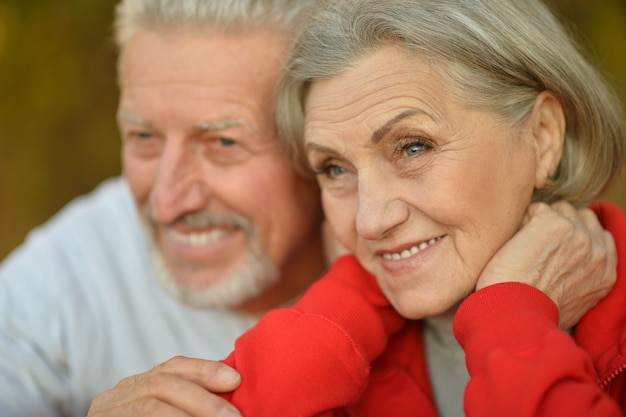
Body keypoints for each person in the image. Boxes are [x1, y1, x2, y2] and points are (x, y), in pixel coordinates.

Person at [87, 0, 625, 416]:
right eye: (335, 169)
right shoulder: (332, 337)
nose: (369, 221)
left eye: (412, 147)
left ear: (543, 136)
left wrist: (512, 322)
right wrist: (341, 318)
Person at [0, 1, 326, 416]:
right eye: (143, 137)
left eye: (223, 143)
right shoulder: (62, 282)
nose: (166, 201)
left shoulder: (406, 263)